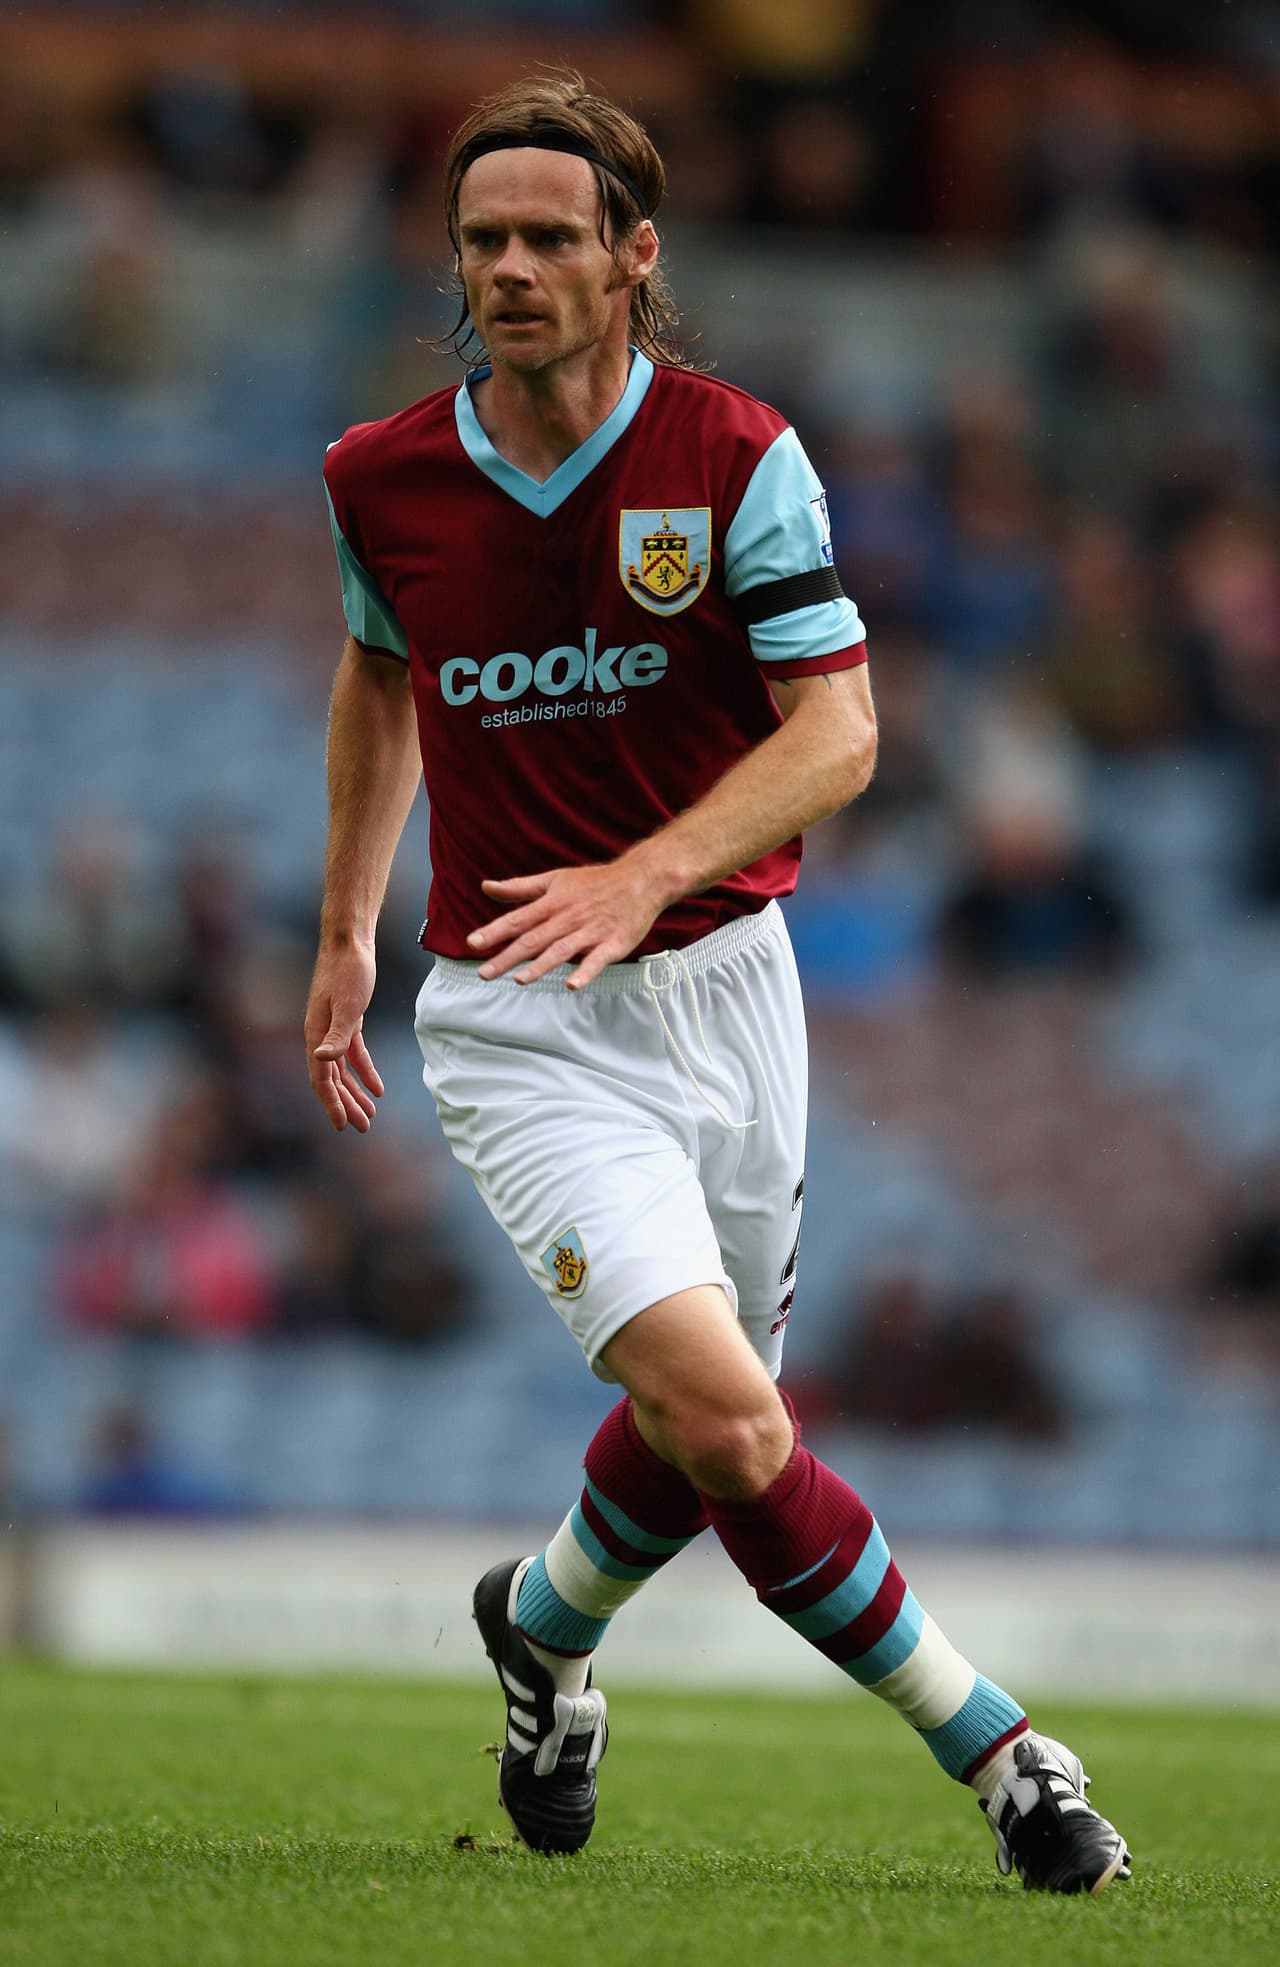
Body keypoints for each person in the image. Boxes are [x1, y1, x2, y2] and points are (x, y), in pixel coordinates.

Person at [306, 71, 1130, 1895]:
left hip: (728, 985)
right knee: (740, 1418)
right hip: (523, 1015)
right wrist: (346, 924)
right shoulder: (385, 477)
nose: (510, 268)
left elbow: (837, 729)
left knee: (708, 1428)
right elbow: (380, 677)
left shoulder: (734, 457)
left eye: (549, 237)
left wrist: (653, 867)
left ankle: (536, 1626)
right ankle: (1006, 1759)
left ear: (633, 256)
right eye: (482, 239)